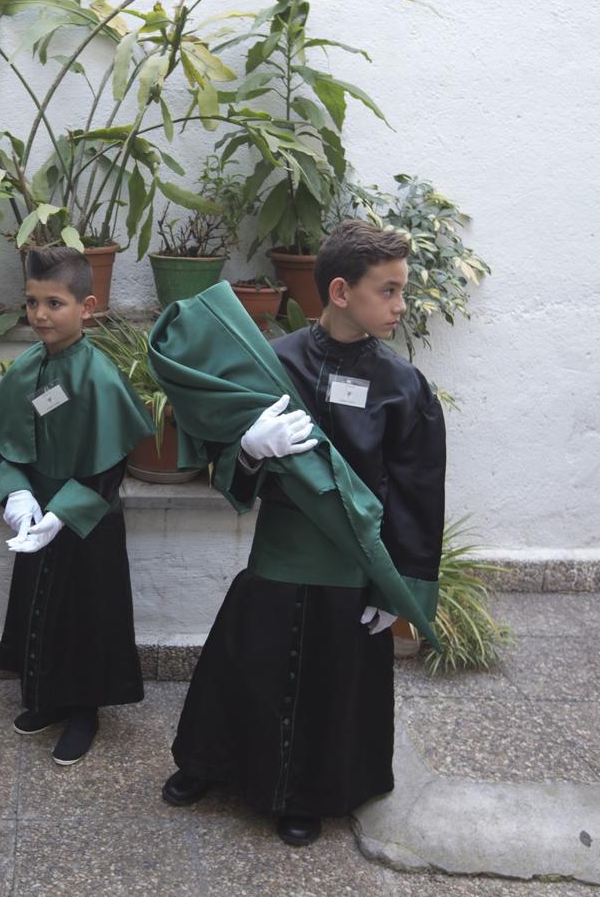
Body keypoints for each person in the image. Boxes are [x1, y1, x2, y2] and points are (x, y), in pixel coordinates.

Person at [155, 220, 447, 845]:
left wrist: (395, 590)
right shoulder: (274, 363)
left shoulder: (403, 387)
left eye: (402, 290)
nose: (401, 305)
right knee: (244, 665)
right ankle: (209, 762)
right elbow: (229, 472)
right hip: (281, 554)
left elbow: (418, 497)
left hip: (352, 568)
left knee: (331, 680)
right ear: (341, 290)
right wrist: (250, 450)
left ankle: (306, 791)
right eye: (389, 291)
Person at [0, 245, 155, 765]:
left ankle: (85, 711)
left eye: (54, 303)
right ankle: (48, 697)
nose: (40, 315)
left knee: (87, 613)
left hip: (87, 516)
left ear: (86, 306)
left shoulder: (98, 375)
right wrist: (19, 494)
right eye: (32, 303)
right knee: (41, 606)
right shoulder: (29, 367)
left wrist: (61, 514)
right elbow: (4, 445)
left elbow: (108, 467)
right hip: (39, 513)